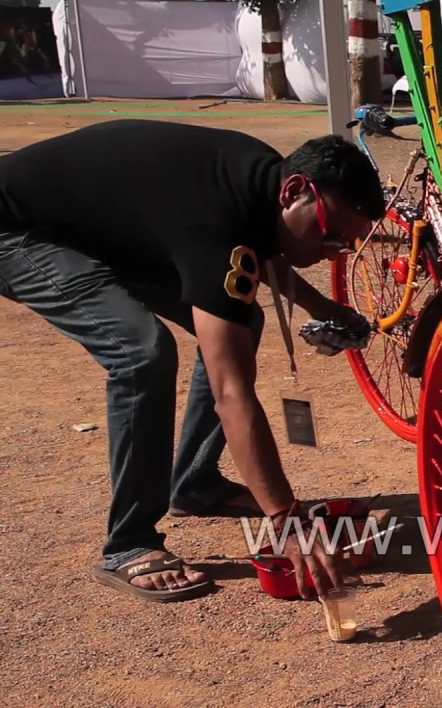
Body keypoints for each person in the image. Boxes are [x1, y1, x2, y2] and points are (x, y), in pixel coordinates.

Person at [0, 120, 384, 601]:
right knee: (141, 352)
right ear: (294, 191)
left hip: (103, 229)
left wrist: (322, 308)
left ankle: (195, 484)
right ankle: (128, 543)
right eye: (330, 236)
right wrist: (286, 520)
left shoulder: (261, 181)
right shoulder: (213, 223)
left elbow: (263, 252)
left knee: (241, 324)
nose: (334, 254)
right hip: (18, 230)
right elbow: (231, 393)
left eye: (347, 244)